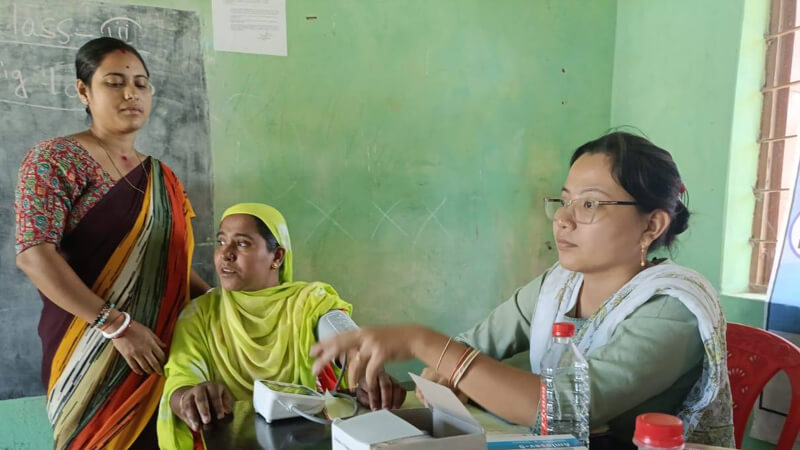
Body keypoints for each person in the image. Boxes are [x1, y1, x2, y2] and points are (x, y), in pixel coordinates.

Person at [311, 132, 734, 447]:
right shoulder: (559, 286)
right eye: (563, 201)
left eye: (589, 204)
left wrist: (421, 341)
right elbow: (469, 349)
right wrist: (432, 376)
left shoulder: (674, 307)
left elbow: (564, 408)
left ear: (652, 223)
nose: (563, 220)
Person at [14, 37, 211, 449]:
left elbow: (175, 264)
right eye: (115, 82)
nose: (131, 93)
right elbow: (34, 255)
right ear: (83, 90)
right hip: (90, 355)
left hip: (163, 355)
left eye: (141, 84)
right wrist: (116, 325)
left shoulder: (165, 178)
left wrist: (222, 308)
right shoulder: (55, 159)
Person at [157, 203, 406, 449]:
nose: (226, 253)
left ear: (276, 256)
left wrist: (366, 373)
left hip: (307, 440)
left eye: (242, 243)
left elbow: (343, 335)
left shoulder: (308, 301)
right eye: (221, 242)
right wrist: (190, 397)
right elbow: (180, 382)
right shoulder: (200, 315)